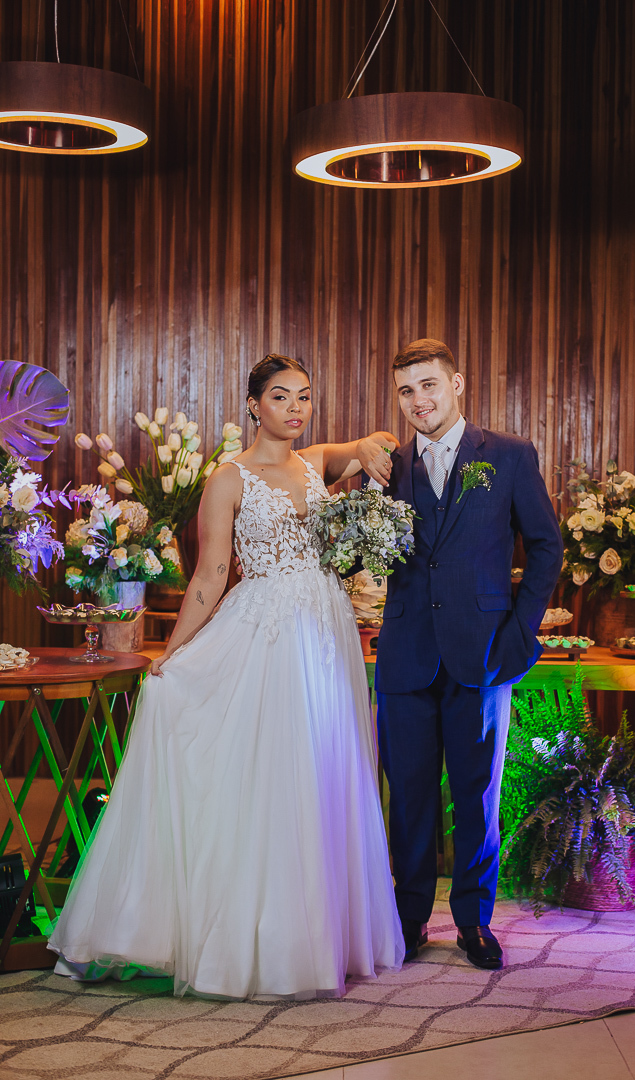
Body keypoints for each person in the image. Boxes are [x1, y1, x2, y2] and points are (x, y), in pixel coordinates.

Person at [48, 354, 405, 999]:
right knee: (269, 777)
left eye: (304, 396)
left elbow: (369, 445)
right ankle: (248, 939)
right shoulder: (229, 478)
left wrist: (372, 451)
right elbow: (211, 576)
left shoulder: (314, 462)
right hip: (267, 633)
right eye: (280, 396)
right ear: (253, 406)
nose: (295, 408)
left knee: (321, 770)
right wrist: (173, 654)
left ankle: (313, 937)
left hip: (325, 633)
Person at [375, 338, 563, 970]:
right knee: (408, 796)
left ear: (457, 384)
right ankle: (408, 919)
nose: (418, 400)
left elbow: (546, 547)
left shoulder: (508, 454)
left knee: (477, 793)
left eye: (428, 385)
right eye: (406, 390)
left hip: (484, 653)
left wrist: (519, 633)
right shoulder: (387, 467)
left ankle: (474, 922)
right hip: (405, 653)